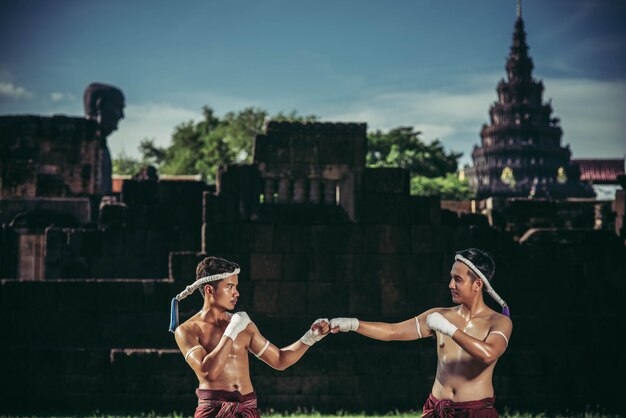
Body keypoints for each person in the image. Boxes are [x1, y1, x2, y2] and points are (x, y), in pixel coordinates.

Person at [327, 248, 512, 417]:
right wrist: (351, 324)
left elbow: (488, 354)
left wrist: (448, 329)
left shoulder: (499, 322)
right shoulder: (439, 315)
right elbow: (392, 331)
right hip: (436, 409)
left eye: (457, 279)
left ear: (477, 284)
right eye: (451, 277)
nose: (450, 285)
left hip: (476, 412)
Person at [169, 256, 329, 418]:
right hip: (213, 411)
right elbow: (208, 373)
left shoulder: (243, 325)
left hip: (247, 410)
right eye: (229, 287)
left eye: (236, 286)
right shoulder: (187, 330)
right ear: (209, 290)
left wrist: (311, 337)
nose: (236, 293)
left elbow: (279, 360)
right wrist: (232, 330)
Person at [83, 82, 125, 194]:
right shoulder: (85, 149)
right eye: (118, 107)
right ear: (100, 105)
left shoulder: (100, 146)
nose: (122, 115)